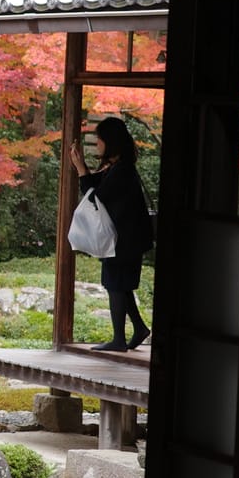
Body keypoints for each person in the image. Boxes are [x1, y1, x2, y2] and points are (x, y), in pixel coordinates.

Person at [66, 116, 154, 352]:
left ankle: (118, 339)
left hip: (124, 240)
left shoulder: (121, 171)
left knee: (115, 285)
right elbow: (96, 185)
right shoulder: (118, 167)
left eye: (100, 140)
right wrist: (81, 167)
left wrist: (81, 169)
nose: (97, 145)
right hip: (127, 238)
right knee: (120, 285)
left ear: (110, 142)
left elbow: (96, 198)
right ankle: (139, 328)